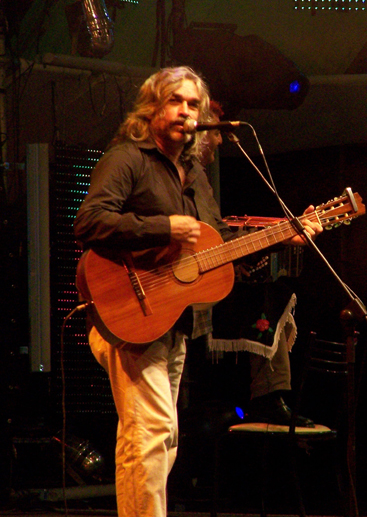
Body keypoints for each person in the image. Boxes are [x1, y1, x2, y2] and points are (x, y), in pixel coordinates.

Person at [74, 66, 321, 517]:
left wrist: (281, 235)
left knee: (162, 438)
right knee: (150, 430)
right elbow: (89, 220)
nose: (186, 112)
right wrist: (162, 226)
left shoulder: (195, 174)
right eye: (175, 101)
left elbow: (219, 246)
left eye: (193, 104)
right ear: (152, 107)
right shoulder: (128, 158)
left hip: (173, 319)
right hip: (128, 312)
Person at [191, 100, 314, 428]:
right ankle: (266, 397)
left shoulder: (199, 180)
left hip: (198, 280)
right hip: (174, 292)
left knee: (275, 292)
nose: (220, 141)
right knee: (265, 298)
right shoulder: (163, 172)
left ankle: (270, 396)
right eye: (216, 133)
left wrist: (237, 261)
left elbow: (216, 237)